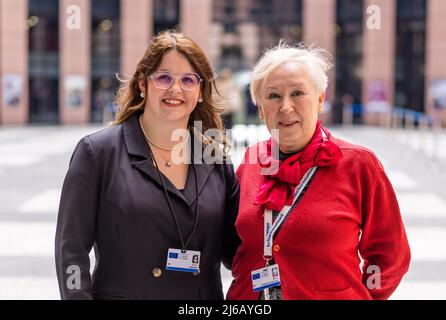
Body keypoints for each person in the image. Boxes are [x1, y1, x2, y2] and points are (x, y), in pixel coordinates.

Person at [55, 31, 240, 300]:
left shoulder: (215, 158)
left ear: (200, 91)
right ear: (143, 83)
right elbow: (71, 249)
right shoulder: (98, 153)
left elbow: (237, 252)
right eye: (164, 77)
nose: (175, 89)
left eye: (188, 80)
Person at [226, 43, 411, 300]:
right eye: (273, 96)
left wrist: (359, 295)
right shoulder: (251, 159)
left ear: (320, 99)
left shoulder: (359, 164)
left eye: (298, 93)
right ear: (259, 107)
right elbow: (235, 243)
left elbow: (392, 256)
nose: (286, 107)